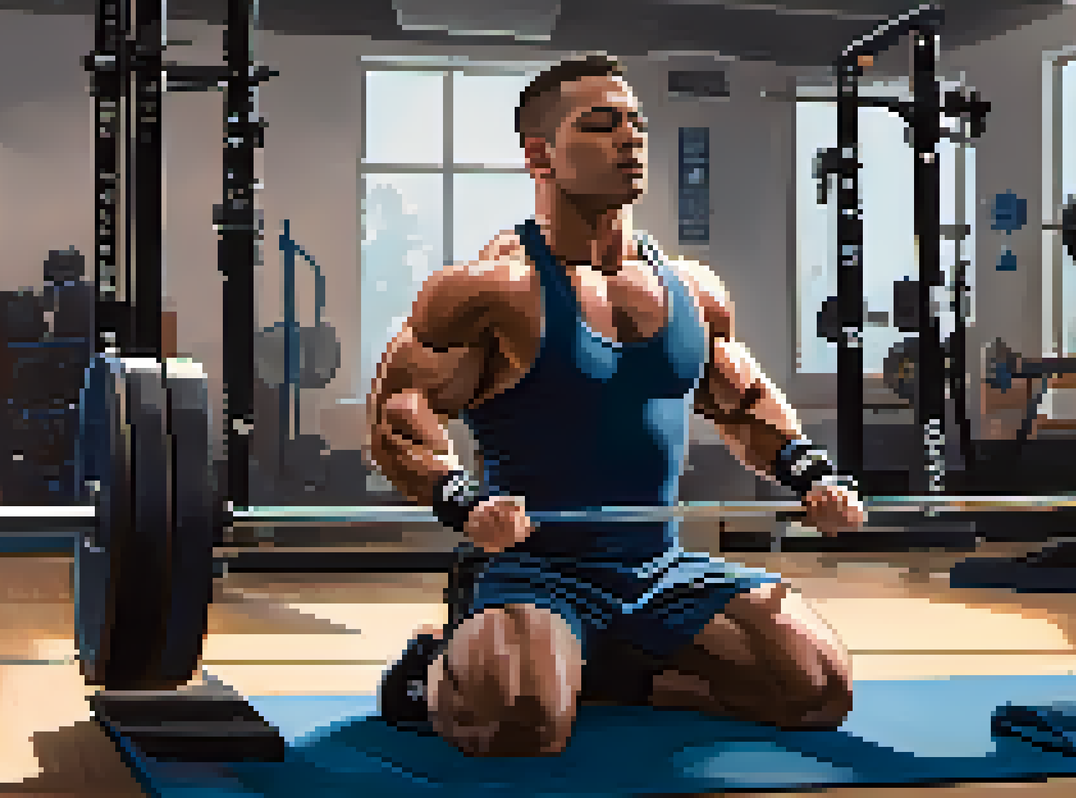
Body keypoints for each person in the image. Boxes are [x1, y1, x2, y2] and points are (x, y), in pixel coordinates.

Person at [367, 53, 867, 758]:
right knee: (516, 722)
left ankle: (616, 670)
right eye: (601, 125)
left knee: (818, 688)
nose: (629, 138)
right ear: (539, 154)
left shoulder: (692, 289)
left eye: (635, 124)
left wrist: (811, 475)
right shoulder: (496, 289)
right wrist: (461, 502)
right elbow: (399, 409)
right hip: (538, 568)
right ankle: (439, 657)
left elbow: (744, 401)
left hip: (660, 569)